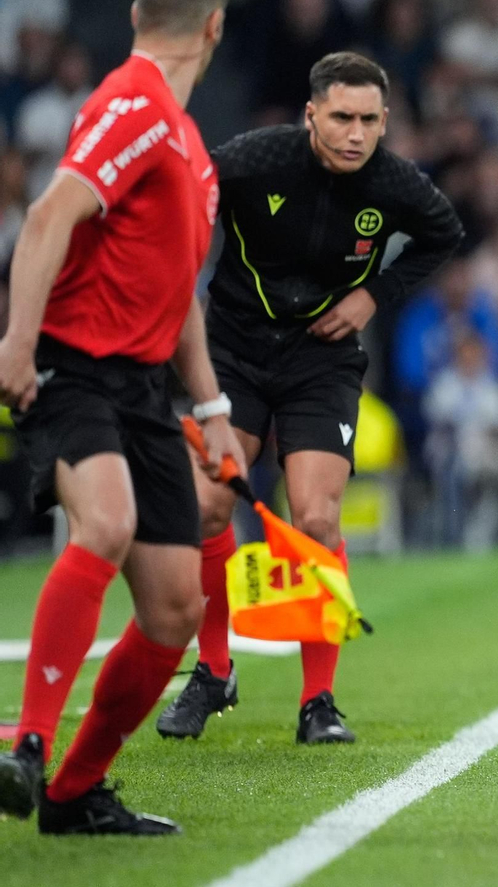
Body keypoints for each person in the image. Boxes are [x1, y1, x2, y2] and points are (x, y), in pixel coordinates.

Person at [0, 0, 244, 834]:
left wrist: (211, 410)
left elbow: (176, 294)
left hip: (145, 389)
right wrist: (17, 344)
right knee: (105, 522)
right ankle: (25, 745)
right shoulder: (133, 102)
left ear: (143, 11)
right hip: (75, 368)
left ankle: (72, 792)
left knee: (176, 608)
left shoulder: (190, 150)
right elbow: (47, 213)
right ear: (213, 25)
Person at [155, 52, 462, 745]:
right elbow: (183, 198)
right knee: (206, 506)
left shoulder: (399, 185)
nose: (355, 133)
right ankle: (213, 670)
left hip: (320, 362)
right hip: (231, 351)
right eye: (341, 117)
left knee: (316, 519)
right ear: (311, 115)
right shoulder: (251, 160)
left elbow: (444, 235)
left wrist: (372, 296)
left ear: (385, 122)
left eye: (369, 121)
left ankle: (318, 702)